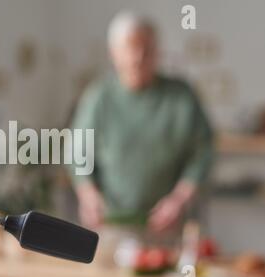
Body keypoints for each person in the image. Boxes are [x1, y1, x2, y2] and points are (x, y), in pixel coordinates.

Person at [69, 12, 214, 240]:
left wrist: (179, 199)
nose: (138, 57)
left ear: (157, 51)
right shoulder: (98, 97)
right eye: (130, 48)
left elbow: (202, 152)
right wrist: (88, 196)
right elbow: (77, 152)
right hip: (110, 226)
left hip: (169, 227)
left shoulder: (182, 96)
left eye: (146, 49)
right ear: (113, 53)